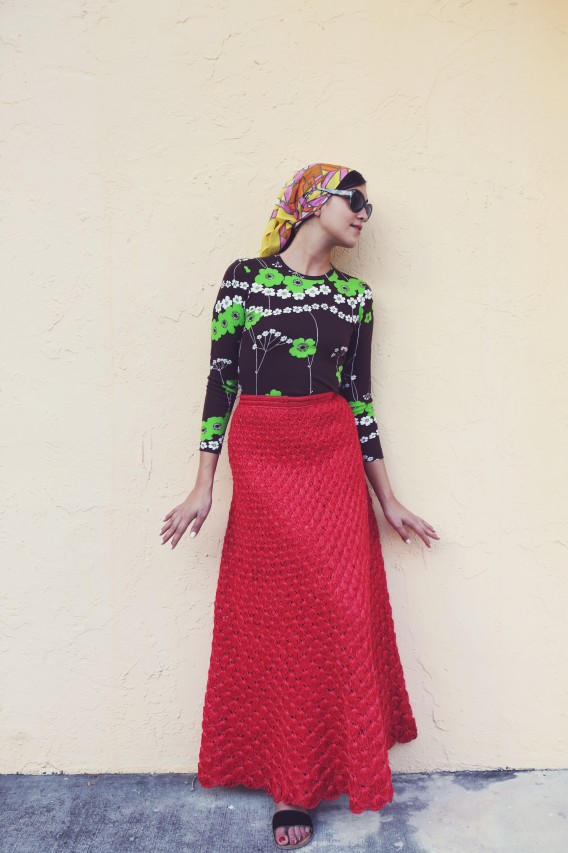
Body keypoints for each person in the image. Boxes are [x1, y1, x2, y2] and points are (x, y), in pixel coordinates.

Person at [160, 162, 439, 849]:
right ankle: (292, 786)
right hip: (262, 458)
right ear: (314, 201)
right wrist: (204, 482)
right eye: (355, 199)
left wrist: (388, 498)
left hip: (333, 459)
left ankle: (343, 755)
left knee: (344, 609)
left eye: (369, 205)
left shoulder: (355, 299)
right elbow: (221, 378)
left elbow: (361, 400)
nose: (364, 213)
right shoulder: (245, 279)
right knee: (283, 620)